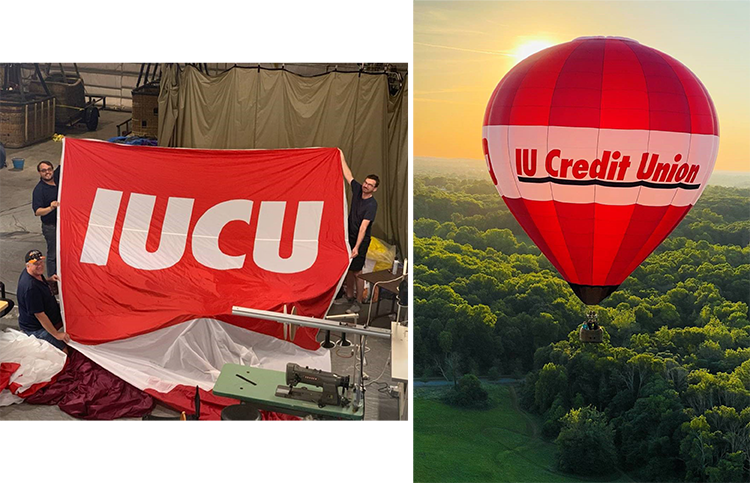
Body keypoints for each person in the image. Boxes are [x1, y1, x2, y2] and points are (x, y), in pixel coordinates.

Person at [337, 158, 379, 314]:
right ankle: (348, 296)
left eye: (370, 185)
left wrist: (356, 247)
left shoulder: (371, 205)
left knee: (357, 272)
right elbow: (348, 175)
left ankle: (358, 301)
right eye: (366, 182)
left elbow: (363, 228)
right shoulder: (357, 190)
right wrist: (339, 155)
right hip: (349, 236)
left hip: (360, 241)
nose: (366, 185)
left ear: (374, 189)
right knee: (348, 268)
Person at [17, 249, 70, 353]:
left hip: (49, 313)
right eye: (36, 264)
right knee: (64, 351)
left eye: (41, 262)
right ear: (27, 266)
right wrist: (56, 334)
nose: (40, 266)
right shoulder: (31, 288)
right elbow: (40, 315)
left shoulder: (34, 274)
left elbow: (38, 280)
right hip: (36, 328)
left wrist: (49, 280)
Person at [31, 160, 59, 277]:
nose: (47, 172)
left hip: (63, 224)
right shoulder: (39, 190)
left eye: (49, 169)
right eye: (44, 171)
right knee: (52, 254)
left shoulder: (58, 178)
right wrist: (51, 207)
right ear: (39, 173)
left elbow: (65, 159)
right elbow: (37, 211)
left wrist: (64, 142)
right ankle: (52, 281)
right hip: (50, 227)